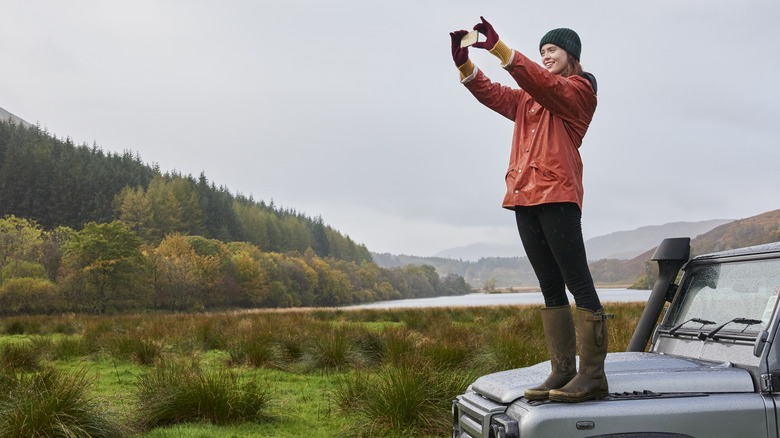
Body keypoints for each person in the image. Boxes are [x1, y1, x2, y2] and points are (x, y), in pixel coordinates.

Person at [449, 17, 610, 403]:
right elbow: (493, 93)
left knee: (579, 282)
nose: (545, 55)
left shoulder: (581, 89)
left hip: (558, 194)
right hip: (524, 196)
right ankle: (563, 370)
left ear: (571, 55)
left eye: (551, 50)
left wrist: (501, 48)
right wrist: (464, 64)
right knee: (549, 285)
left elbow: (543, 82)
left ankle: (593, 376)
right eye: (541, 52)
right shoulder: (528, 98)